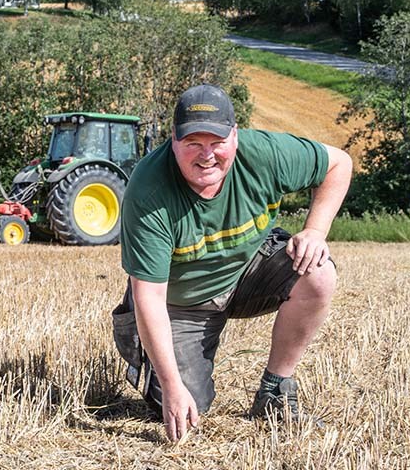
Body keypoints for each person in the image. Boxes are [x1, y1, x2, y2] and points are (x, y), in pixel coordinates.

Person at [117, 84, 353, 442]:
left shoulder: (266, 154)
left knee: (317, 273)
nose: (206, 155)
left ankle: (274, 392)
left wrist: (316, 231)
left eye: (217, 142)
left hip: (247, 271)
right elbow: (149, 297)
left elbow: (339, 164)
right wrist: (171, 384)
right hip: (182, 301)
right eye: (193, 143)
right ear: (173, 139)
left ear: (235, 136)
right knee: (184, 406)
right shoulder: (149, 190)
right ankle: (156, 364)